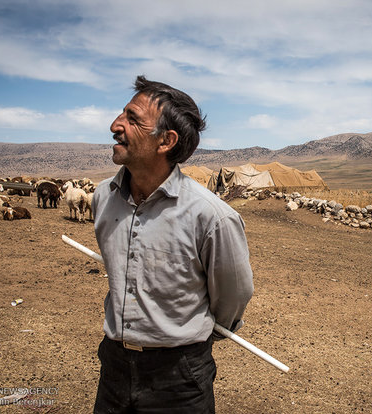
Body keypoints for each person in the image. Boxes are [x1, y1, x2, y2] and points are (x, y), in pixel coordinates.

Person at [91, 75, 254, 413]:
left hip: (179, 378)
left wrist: (187, 337)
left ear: (165, 141)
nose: (114, 125)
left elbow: (233, 296)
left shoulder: (211, 217)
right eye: (122, 114)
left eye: (133, 119)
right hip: (113, 368)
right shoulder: (102, 198)